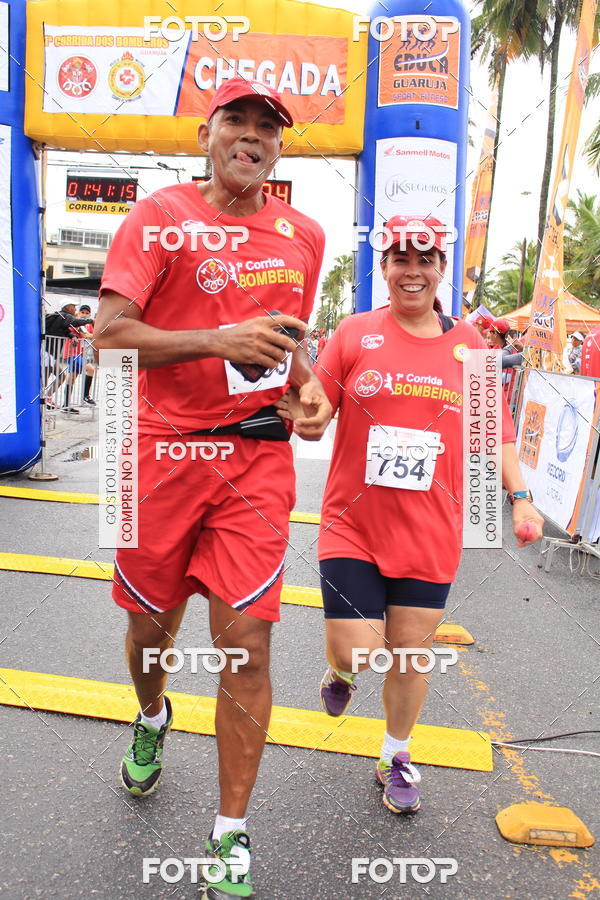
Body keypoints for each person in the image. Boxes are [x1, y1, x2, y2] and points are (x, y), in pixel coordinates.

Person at [94, 77, 330, 899]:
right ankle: (153, 714)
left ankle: (230, 833)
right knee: (149, 630)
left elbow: (292, 346)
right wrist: (215, 338)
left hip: (254, 463)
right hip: (156, 453)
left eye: (269, 126)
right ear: (207, 132)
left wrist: (308, 393)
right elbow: (109, 338)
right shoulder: (158, 218)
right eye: (238, 120)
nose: (253, 135)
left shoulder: (304, 233)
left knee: (249, 642)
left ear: (278, 145)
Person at [279, 215, 543, 816]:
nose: (412, 270)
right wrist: (306, 413)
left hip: (431, 530)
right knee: (360, 651)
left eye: (425, 259)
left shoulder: (469, 344)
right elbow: (315, 403)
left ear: (441, 269)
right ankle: (339, 672)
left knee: (410, 654)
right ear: (386, 268)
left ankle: (395, 755)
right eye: (400, 259)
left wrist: (520, 496)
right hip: (353, 523)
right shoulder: (354, 333)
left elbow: (495, 432)